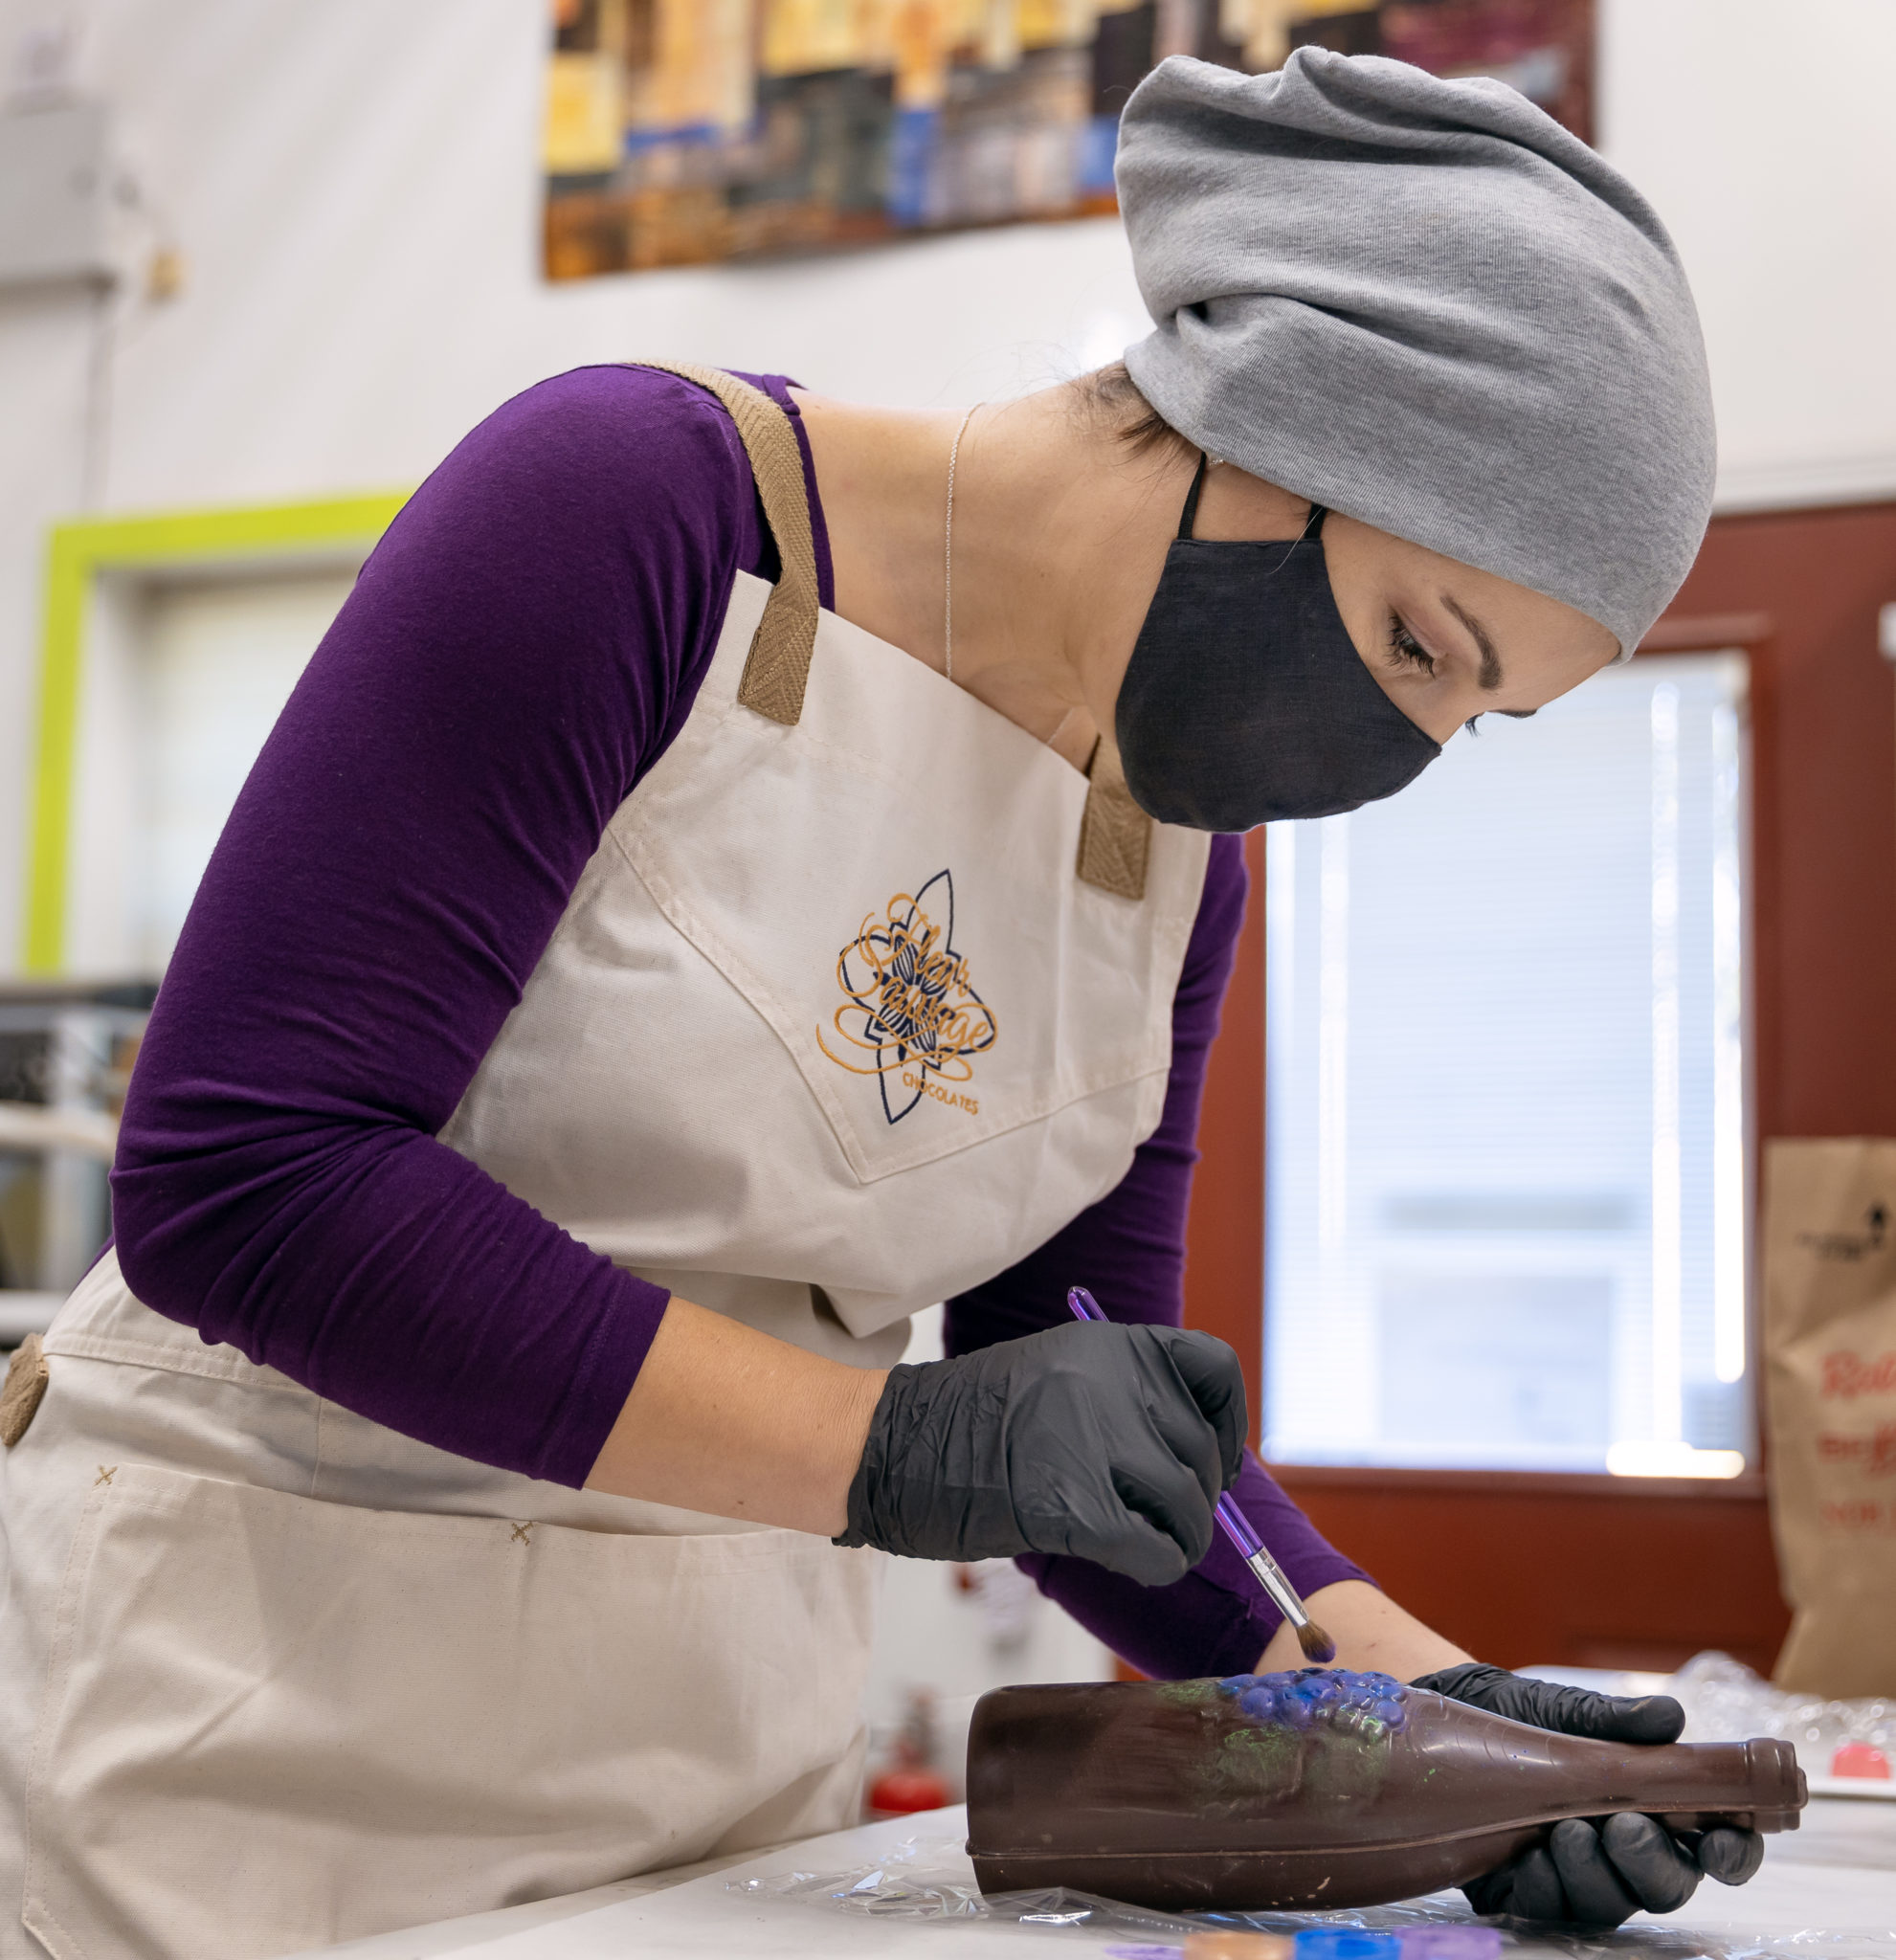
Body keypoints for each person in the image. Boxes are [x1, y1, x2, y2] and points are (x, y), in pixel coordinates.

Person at [0, 47, 1751, 1959]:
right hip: (243, 1724)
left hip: (700, 1771)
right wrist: (891, 1445)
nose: (1397, 742)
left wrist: (1427, 1711)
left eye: (1467, 715)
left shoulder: (1175, 849)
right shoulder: (635, 508)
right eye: (1421, 640)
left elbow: (1084, 1390)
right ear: (1277, 413)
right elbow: (245, 1172)